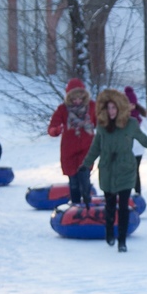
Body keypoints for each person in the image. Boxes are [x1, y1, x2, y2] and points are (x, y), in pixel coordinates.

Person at [80, 88, 147, 252]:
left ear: (119, 108)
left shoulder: (130, 124)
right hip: (107, 170)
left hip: (126, 168)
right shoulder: (102, 126)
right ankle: (109, 233)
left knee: (124, 205)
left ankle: (122, 240)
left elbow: (144, 139)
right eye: (108, 108)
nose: (111, 111)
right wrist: (86, 164)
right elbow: (95, 147)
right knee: (110, 205)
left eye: (114, 108)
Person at [47, 78, 96, 208]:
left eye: (80, 98)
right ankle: (75, 207)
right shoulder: (62, 109)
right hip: (69, 150)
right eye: (74, 99)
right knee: (73, 182)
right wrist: (56, 130)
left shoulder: (91, 107)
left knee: (84, 179)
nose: (78, 101)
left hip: (87, 149)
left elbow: (101, 122)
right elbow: (52, 127)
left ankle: (87, 206)